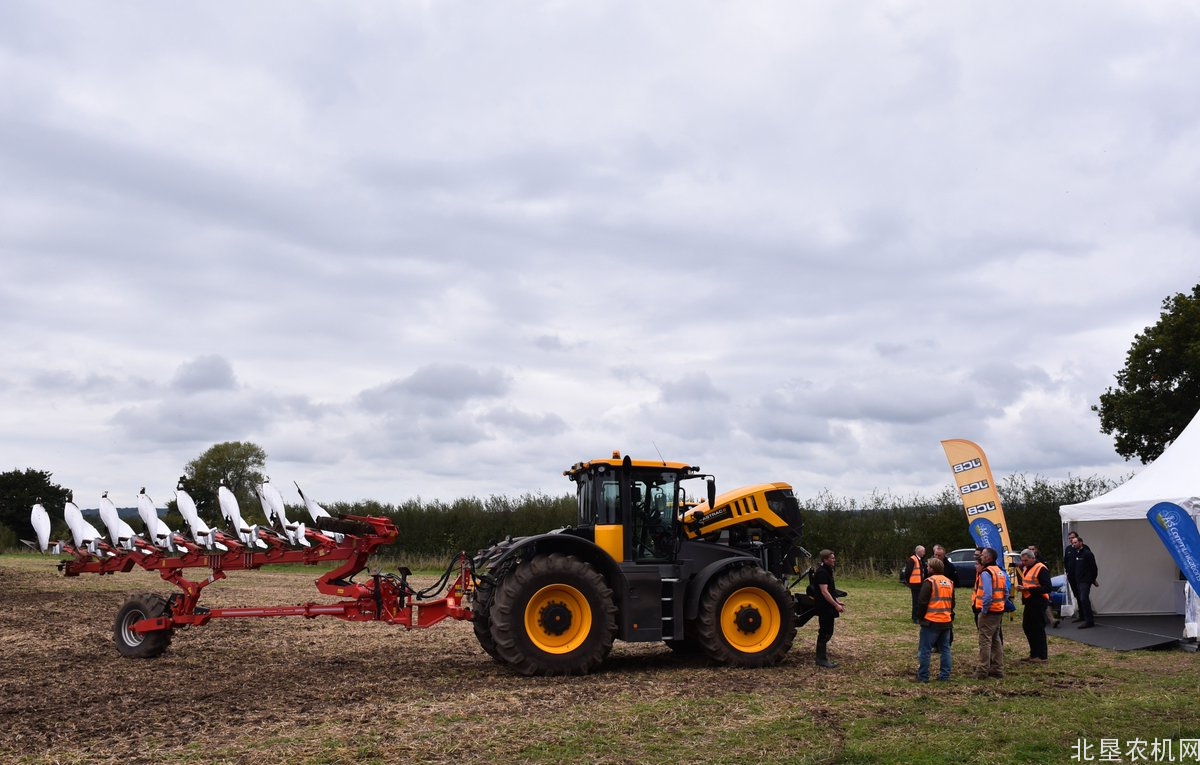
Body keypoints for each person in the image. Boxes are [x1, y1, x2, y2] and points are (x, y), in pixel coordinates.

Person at [914, 556, 955, 682]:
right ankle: (944, 676)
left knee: (925, 650)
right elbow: (952, 603)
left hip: (931, 621)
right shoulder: (949, 582)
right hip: (946, 621)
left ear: (932, 569)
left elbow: (922, 602)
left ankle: (923, 676)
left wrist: (920, 618)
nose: (927, 568)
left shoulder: (929, 582)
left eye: (928, 566)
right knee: (945, 649)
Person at [973, 547, 1008, 679]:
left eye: (982, 555)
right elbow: (1006, 592)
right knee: (995, 640)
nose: (980, 557)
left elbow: (987, 595)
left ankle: (982, 671)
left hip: (989, 612)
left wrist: (985, 610)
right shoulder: (999, 571)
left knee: (985, 642)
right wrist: (1001, 604)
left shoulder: (986, 573)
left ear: (988, 558)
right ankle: (998, 669)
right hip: (998, 610)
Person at [1016, 548, 1052, 663]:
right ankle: (1034, 654)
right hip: (1029, 601)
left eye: (1025, 560)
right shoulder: (1026, 567)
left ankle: (1042, 656)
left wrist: (1027, 589)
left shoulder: (1041, 568)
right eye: (1022, 561)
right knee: (1027, 627)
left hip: (1039, 601)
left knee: (1038, 628)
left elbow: (1047, 587)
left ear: (1033, 558)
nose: (1023, 563)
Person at [813, 549, 846, 668]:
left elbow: (830, 590)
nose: (834, 560)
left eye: (834, 557)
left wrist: (837, 601)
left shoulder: (827, 570)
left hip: (828, 606)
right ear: (825, 560)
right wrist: (835, 605)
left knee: (828, 631)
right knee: (825, 632)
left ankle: (821, 657)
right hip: (824, 607)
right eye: (832, 558)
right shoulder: (822, 573)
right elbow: (824, 592)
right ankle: (821, 659)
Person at [1071, 535, 1099, 629]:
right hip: (1078, 580)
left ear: (1081, 542)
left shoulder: (1087, 553)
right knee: (1081, 599)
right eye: (1072, 543)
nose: (1073, 544)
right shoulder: (1076, 554)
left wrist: (1092, 579)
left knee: (1084, 598)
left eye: (1075, 542)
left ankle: (1089, 621)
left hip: (1086, 580)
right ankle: (1085, 618)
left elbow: (1094, 567)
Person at [900, 545, 928, 624]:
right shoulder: (912, 559)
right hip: (915, 584)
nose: (924, 553)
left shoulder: (920, 560)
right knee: (916, 601)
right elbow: (908, 572)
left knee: (919, 601)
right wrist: (908, 581)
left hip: (920, 583)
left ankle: (918, 616)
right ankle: (915, 618)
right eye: (923, 551)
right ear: (919, 552)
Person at [1063, 530, 1081, 620]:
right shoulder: (1068, 549)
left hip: (1081, 576)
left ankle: (1087, 615)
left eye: (1073, 538)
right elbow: (1065, 561)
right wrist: (1068, 571)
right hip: (1071, 576)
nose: (1071, 540)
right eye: (1069, 538)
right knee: (1077, 595)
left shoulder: (1083, 548)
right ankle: (1081, 615)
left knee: (1083, 595)